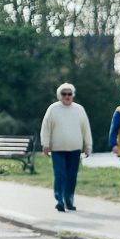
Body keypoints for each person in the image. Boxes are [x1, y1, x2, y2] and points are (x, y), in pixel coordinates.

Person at [40, 82, 92, 211]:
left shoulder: (79, 109)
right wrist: (45, 144)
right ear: (60, 95)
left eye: (69, 94)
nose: (67, 96)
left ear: (73, 95)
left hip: (75, 149)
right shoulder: (53, 109)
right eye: (64, 94)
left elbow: (86, 129)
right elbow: (45, 128)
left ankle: (69, 199)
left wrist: (88, 145)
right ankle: (59, 200)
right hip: (58, 149)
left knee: (72, 175)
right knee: (60, 174)